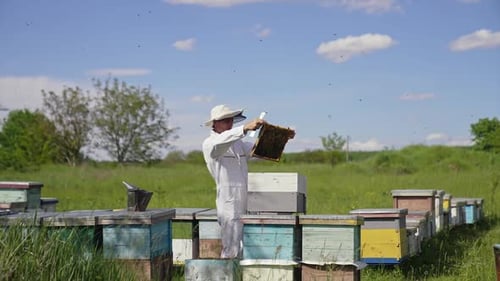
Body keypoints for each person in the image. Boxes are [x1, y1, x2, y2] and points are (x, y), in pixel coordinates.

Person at [202, 104, 294, 259]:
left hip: (245, 197)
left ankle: (241, 272)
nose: (230, 124)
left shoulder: (238, 144)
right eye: (225, 121)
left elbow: (259, 149)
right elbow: (222, 142)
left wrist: (282, 137)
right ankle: (229, 273)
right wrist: (244, 128)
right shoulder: (210, 144)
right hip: (228, 199)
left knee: (246, 242)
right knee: (231, 244)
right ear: (215, 123)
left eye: (231, 120)